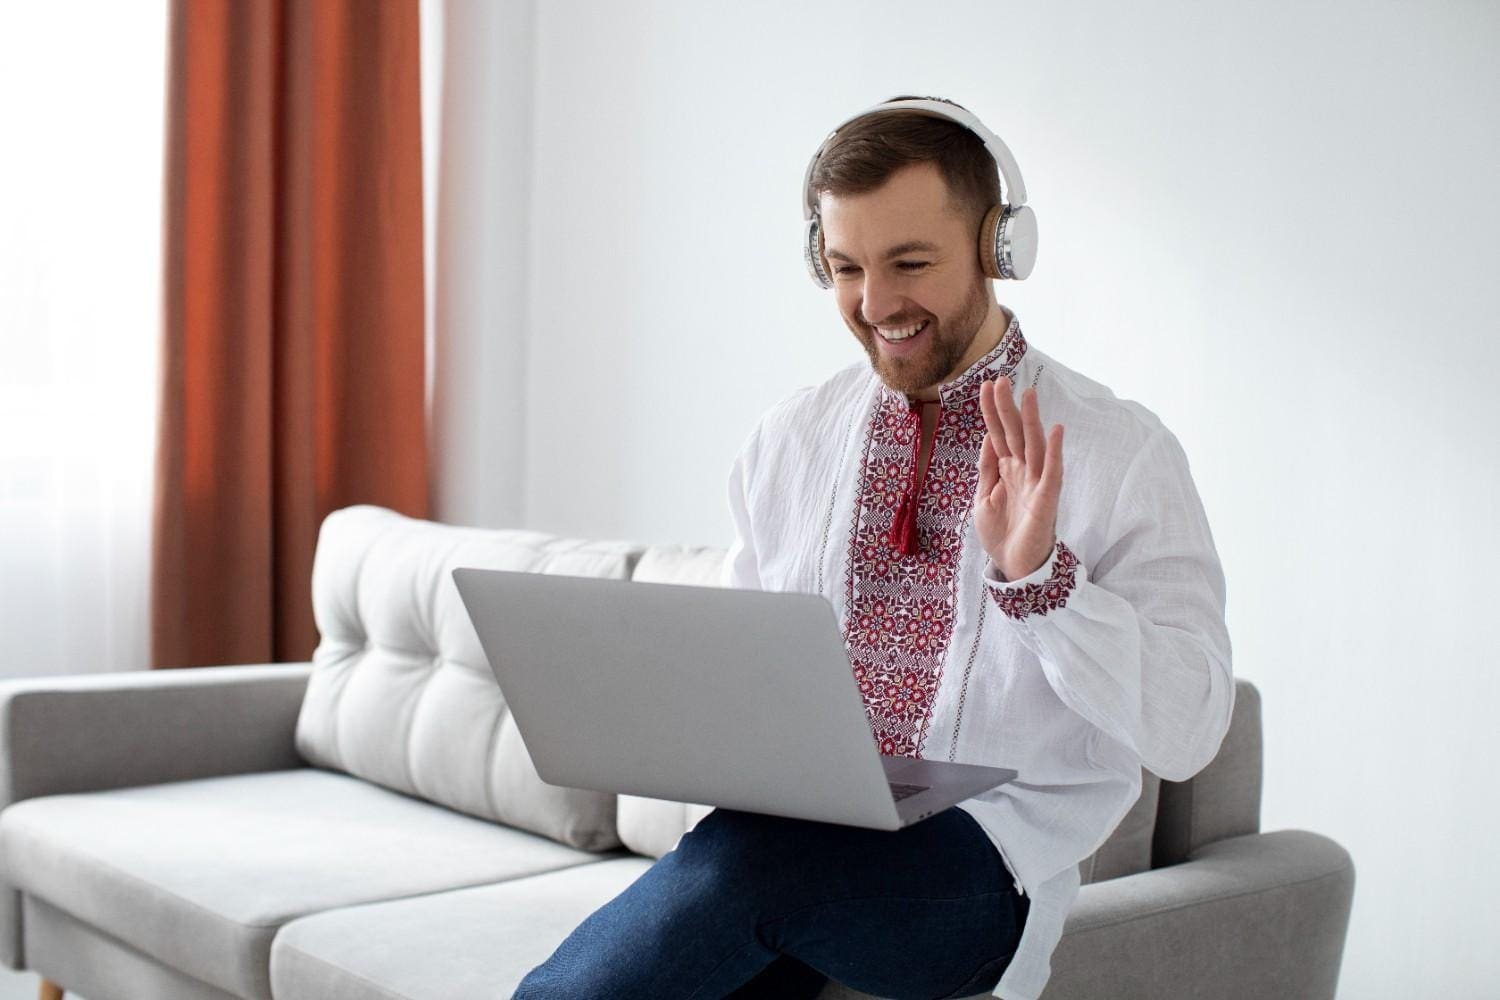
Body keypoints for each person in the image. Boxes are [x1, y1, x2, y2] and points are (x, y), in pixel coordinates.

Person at [513, 96, 1234, 1000]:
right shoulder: (790, 437)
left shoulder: (1117, 451)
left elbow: (1192, 730)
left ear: (998, 249)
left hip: (982, 869)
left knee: (756, 865)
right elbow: (743, 683)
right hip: (780, 847)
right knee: (748, 866)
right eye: (847, 267)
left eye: (911, 263)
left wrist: (1039, 584)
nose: (876, 303)